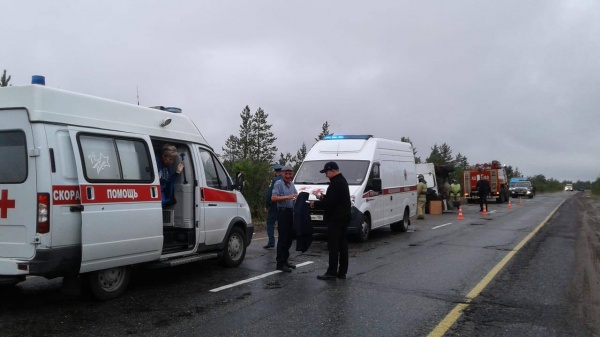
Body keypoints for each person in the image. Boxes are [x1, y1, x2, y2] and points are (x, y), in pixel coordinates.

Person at [312, 161, 351, 280]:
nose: (326, 175)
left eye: (326, 172)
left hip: (336, 219)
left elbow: (330, 203)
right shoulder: (341, 181)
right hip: (343, 218)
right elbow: (334, 198)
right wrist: (322, 196)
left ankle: (332, 272)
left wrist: (316, 203)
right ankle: (342, 271)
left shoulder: (336, 183)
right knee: (342, 244)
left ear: (332, 170)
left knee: (334, 246)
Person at [271, 165, 298, 272]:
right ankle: (280, 263)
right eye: (286, 173)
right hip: (282, 212)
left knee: (289, 238)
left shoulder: (291, 184)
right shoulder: (278, 183)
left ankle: (285, 260)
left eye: (289, 173)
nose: (287, 176)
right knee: (282, 238)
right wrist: (288, 197)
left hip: (290, 212)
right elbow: (273, 198)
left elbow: (295, 195)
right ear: (282, 174)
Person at [263, 164, 283, 249]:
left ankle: (271, 242)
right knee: (282, 224)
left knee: (270, 223)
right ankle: (282, 241)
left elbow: (269, 193)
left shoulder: (274, 180)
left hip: (274, 204)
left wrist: (267, 205)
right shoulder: (286, 180)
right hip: (284, 205)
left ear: (275, 172)